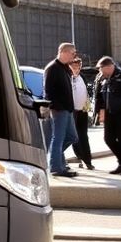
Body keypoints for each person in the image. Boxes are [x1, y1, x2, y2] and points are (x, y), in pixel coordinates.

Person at [93, 56, 121, 175]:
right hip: (109, 114)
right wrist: (99, 111)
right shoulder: (103, 79)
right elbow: (99, 96)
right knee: (108, 139)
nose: (100, 71)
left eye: (101, 68)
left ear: (109, 67)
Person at [42, 43, 80, 178]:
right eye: (73, 53)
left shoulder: (65, 68)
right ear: (64, 52)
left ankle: (55, 159)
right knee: (58, 138)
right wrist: (56, 107)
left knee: (72, 137)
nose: (74, 56)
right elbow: (48, 92)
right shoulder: (52, 68)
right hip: (58, 110)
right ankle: (57, 167)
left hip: (67, 109)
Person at [69, 57, 94, 170]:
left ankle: (87, 160)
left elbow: (87, 92)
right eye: (74, 67)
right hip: (71, 111)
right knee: (74, 136)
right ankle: (80, 156)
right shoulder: (67, 78)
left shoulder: (82, 77)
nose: (76, 69)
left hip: (82, 111)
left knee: (83, 136)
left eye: (78, 67)